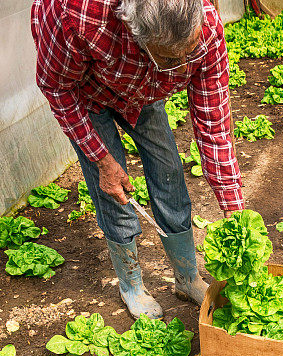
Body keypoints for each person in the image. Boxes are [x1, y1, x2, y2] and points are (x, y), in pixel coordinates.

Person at [31, 0, 244, 319]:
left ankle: (187, 277)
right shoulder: (77, 17)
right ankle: (131, 284)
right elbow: (57, 87)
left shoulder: (206, 28)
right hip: (88, 92)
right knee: (114, 195)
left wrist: (235, 212)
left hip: (144, 90)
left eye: (191, 50)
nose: (187, 64)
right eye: (174, 58)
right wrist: (101, 159)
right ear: (137, 35)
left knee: (169, 172)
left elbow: (214, 125)